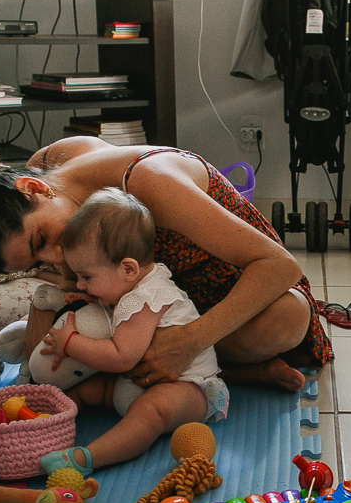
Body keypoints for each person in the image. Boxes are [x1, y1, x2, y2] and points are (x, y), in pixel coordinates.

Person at [0, 138, 332, 404]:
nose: (55, 259)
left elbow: (280, 265)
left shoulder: (149, 183)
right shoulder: (45, 166)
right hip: (146, 306)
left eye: (41, 241)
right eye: (37, 264)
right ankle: (228, 373)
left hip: (233, 295)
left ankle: (216, 366)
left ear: (33, 190)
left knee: (287, 317)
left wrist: (190, 340)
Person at [33, 188, 228, 474]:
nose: (81, 284)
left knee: (150, 413)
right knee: (86, 390)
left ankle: (87, 459)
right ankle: (43, 424)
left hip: (189, 387)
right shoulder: (133, 283)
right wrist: (94, 297)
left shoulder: (144, 300)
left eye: (87, 277)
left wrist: (70, 343)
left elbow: (121, 357)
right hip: (136, 381)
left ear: (128, 269)